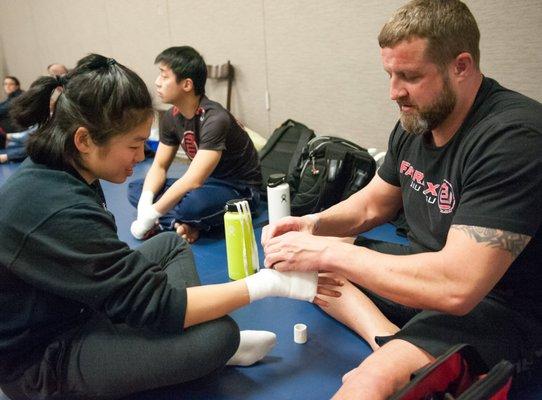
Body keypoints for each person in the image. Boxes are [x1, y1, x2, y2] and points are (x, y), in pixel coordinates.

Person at [0, 54, 339, 400]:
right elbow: (156, 304)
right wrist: (271, 283)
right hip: (43, 361)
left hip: (77, 306)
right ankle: (201, 350)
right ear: (84, 140)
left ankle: (182, 341)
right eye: (133, 145)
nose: (139, 156)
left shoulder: (67, 167)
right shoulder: (54, 206)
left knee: (170, 245)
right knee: (220, 337)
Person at [261, 0, 542, 398]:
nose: (395, 92)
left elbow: (459, 286)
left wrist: (323, 252)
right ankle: (394, 341)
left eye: (409, 75)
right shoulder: (417, 121)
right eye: (390, 74)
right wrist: (313, 226)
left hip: (499, 305)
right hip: (430, 276)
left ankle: (405, 361)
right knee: (315, 267)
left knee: (368, 382)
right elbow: (374, 204)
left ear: (460, 66)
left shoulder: (513, 137)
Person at [128, 46, 261, 243]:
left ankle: (177, 220)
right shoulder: (171, 117)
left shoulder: (215, 119)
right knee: (137, 189)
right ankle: (181, 224)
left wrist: (151, 214)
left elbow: (193, 180)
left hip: (239, 189)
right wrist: (145, 205)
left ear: (187, 85)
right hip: (206, 186)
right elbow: (160, 165)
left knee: (193, 206)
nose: (157, 82)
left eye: (164, 77)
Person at [0, 76, 23, 147]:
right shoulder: (10, 97)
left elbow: (3, 109)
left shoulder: (19, 96)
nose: (7, 86)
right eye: (5, 84)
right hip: (9, 135)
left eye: (11, 84)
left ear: (17, 86)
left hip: (17, 134)